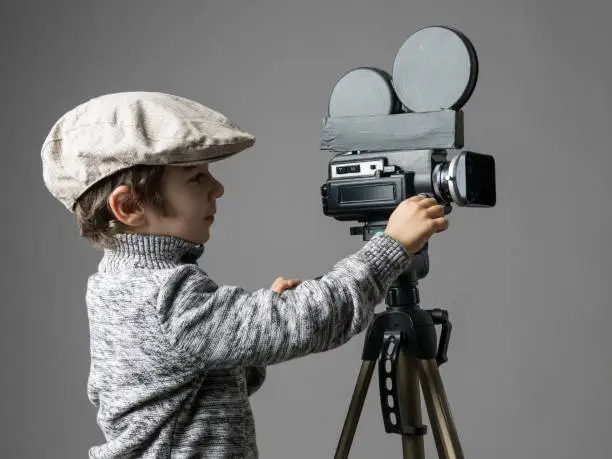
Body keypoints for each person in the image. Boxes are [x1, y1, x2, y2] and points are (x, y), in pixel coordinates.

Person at [41, 91, 449, 458]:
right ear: (129, 206)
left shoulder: (117, 284)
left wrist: (250, 328)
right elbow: (309, 323)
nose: (217, 189)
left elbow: (193, 388)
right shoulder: (165, 298)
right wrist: (390, 248)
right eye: (196, 177)